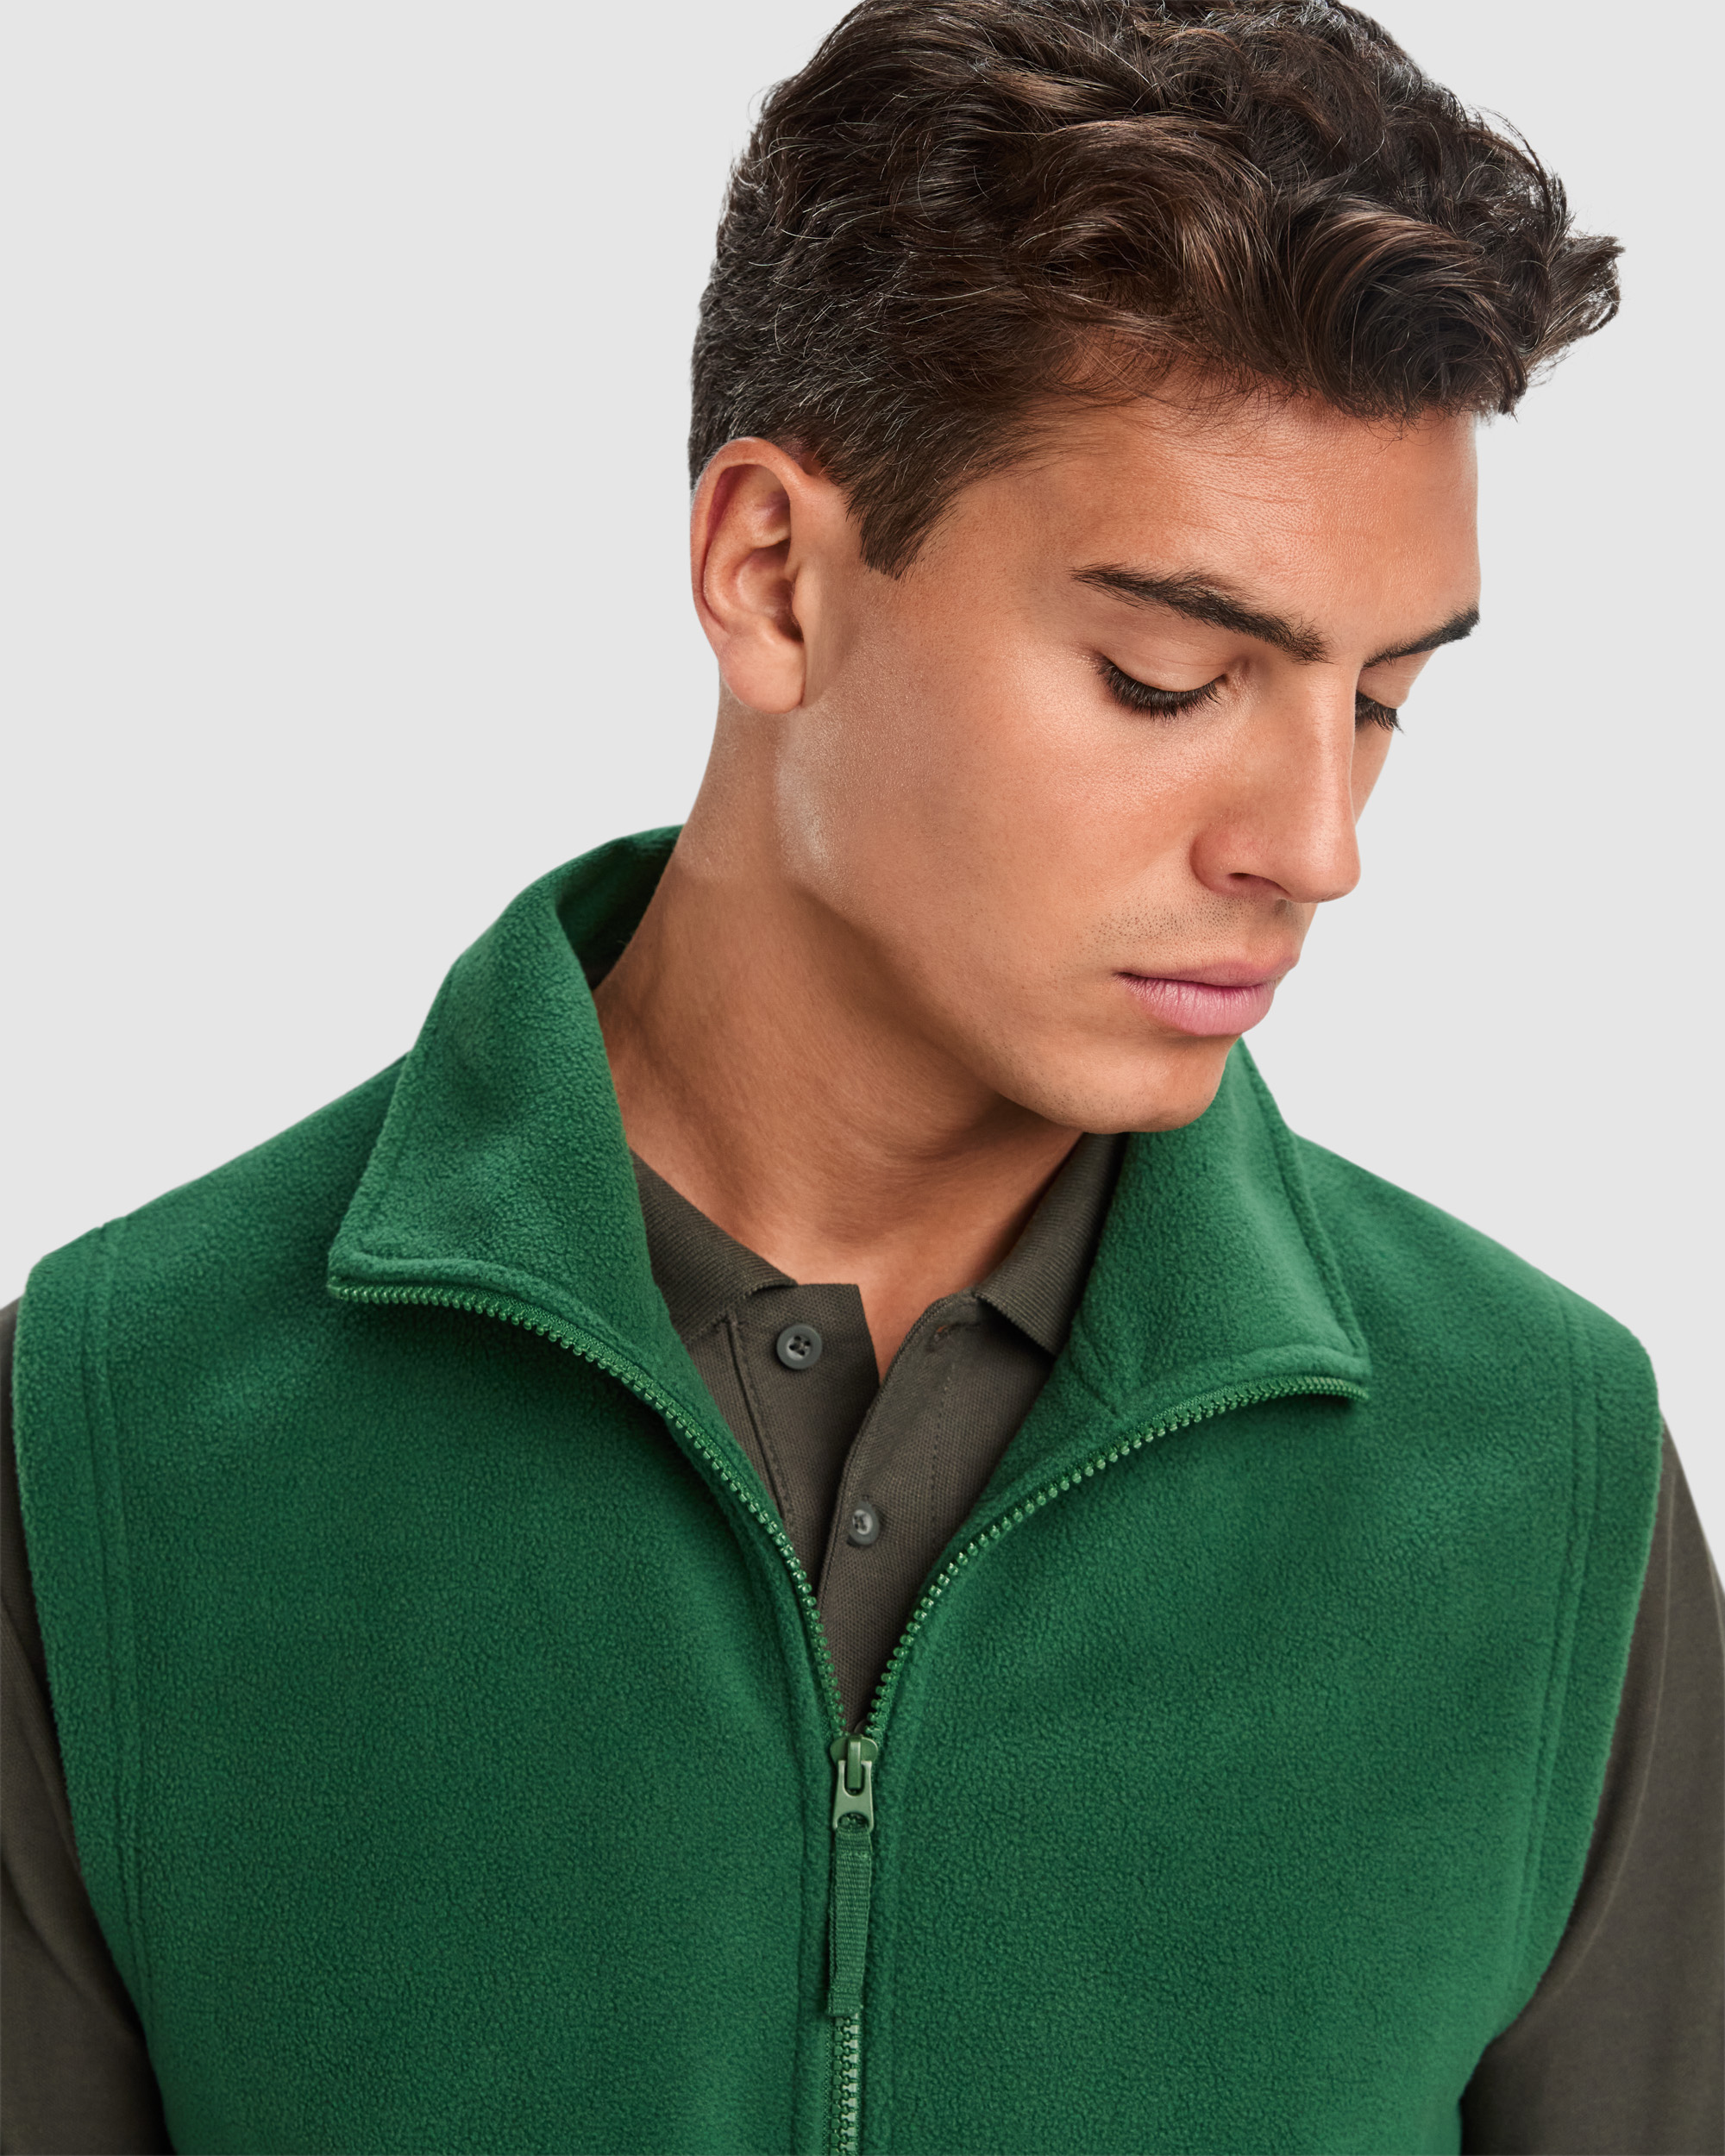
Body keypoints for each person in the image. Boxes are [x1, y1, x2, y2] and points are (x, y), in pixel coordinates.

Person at [3, 1, 1720, 2150]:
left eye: (1378, 698)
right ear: (771, 575)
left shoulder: (1542, 1473)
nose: (1315, 844)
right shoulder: (114, 1431)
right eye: (1168, 676)